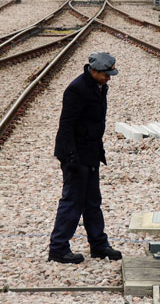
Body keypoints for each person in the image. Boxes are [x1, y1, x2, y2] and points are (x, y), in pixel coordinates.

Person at [48, 52, 122, 264]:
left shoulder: (99, 87)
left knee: (92, 201)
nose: (110, 78)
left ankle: (98, 245)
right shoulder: (76, 89)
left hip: (90, 152)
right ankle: (58, 248)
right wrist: (70, 158)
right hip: (76, 155)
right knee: (72, 201)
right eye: (107, 74)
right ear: (95, 71)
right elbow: (66, 126)